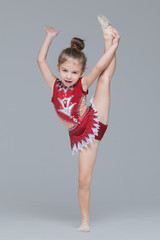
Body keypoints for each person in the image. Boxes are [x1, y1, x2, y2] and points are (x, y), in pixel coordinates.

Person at [37, 15, 120, 232]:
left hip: (93, 122)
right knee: (83, 181)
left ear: (81, 73)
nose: (68, 75)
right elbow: (40, 61)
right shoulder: (53, 84)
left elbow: (99, 66)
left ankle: (108, 37)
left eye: (74, 72)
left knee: (104, 78)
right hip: (78, 135)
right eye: (65, 70)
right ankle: (85, 221)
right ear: (59, 68)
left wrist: (114, 47)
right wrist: (50, 37)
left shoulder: (82, 84)